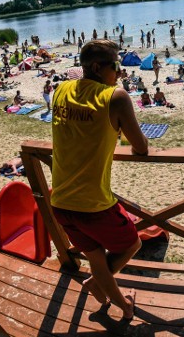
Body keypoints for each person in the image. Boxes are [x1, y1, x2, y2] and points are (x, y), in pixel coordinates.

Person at [50, 39, 148, 320]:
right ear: (96, 67)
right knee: (131, 244)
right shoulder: (114, 97)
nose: (119, 72)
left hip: (60, 200)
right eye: (116, 65)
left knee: (96, 257)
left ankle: (117, 301)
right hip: (93, 204)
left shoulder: (61, 90)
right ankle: (105, 289)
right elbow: (140, 146)